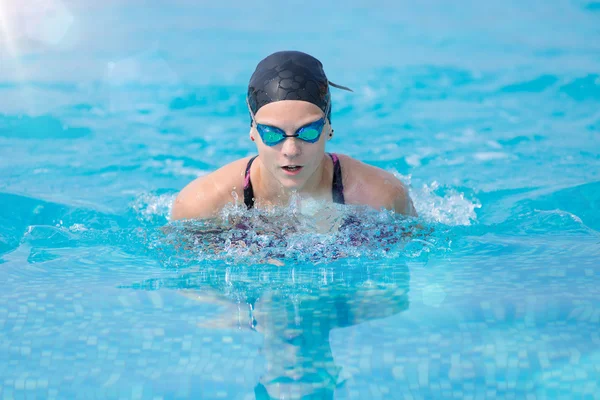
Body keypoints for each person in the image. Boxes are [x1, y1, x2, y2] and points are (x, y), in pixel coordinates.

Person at [171, 50, 416, 221]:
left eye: (307, 131)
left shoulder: (381, 197)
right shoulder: (200, 205)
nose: (290, 149)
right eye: (272, 133)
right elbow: (194, 290)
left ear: (328, 129)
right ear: (253, 132)